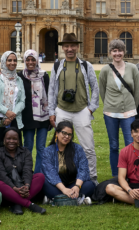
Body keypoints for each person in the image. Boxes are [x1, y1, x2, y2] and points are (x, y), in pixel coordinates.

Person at [48, 33, 100, 183]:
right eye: (66, 46)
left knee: (88, 147)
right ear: (62, 48)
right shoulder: (57, 66)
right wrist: (52, 112)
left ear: (77, 47)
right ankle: (61, 177)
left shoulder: (86, 65)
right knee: (60, 147)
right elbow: (51, 89)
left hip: (82, 111)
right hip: (62, 111)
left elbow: (95, 88)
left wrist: (91, 108)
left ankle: (92, 178)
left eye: (72, 46)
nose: (69, 49)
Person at [99, 39, 139, 177]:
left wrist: (132, 106)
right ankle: (116, 175)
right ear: (110, 53)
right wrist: (110, 104)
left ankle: (131, 174)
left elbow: (137, 91)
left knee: (131, 145)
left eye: (120, 50)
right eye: (114, 51)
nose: (117, 53)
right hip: (110, 112)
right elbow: (102, 91)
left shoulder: (132, 68)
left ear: (124, 52)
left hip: (129, 112)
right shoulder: (105, 70)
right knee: (113, 146)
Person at [0, 127, 46, 215]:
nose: (11, 141)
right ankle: (29, 204)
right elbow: (1, 175)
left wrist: (27, 186)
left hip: (23, 186)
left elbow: (27, 171)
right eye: (8, 138)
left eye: (14, 139)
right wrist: (15, 188)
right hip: (7, 189)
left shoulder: (25, 152)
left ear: (19, 140)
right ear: (4, 140)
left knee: (40, 176)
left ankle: (17, 203)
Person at [41, 121, 96, 203]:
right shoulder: (48, 151)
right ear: (57, 133)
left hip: (73, 184)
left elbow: (83, 169)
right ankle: (76, 199)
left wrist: (77, 186)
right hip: (56, 186)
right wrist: (64, 189)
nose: (67, 136)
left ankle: (55, 199)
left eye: (69, 134)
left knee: (89, 185)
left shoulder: (77, 149)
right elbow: (51, 174)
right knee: (43, 183)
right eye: (64, 133)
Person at [18, 49, 50, 174]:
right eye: (28, 60)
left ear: (37, 60)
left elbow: (49, 95)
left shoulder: (44, 75)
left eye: (33, 60)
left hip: (42, 116)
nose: (30, 62)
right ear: (25, 61)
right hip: (27, 116)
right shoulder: (20, 76)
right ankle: (27, 174)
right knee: (28, 147)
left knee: (41, 148)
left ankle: (38, 175)